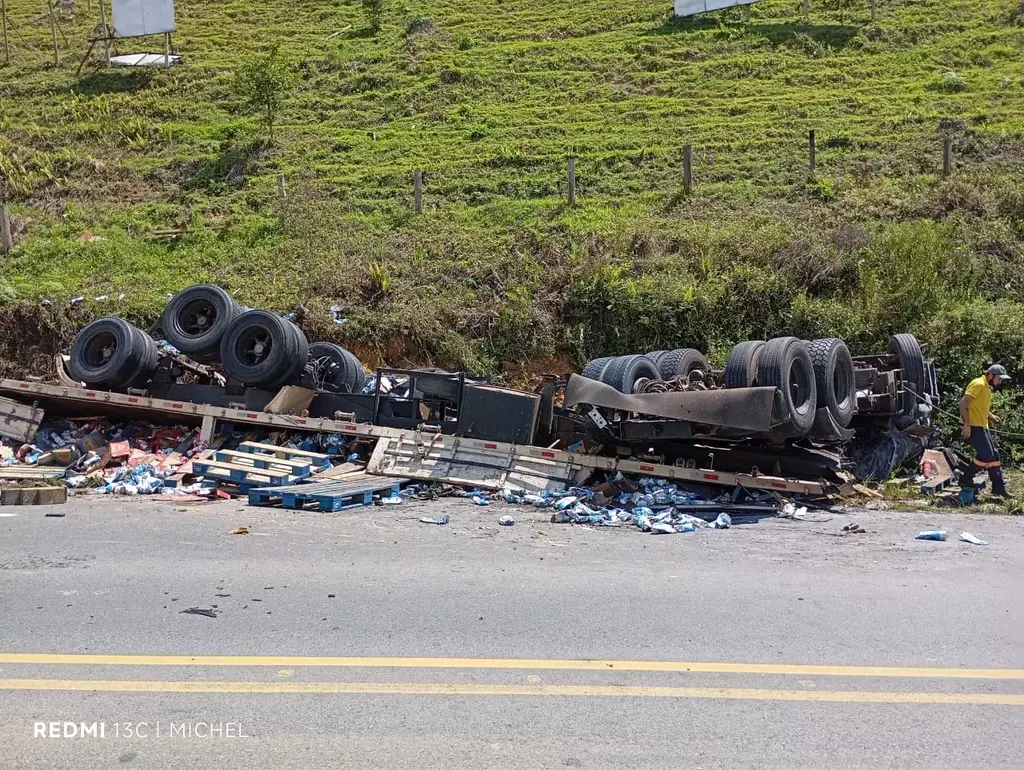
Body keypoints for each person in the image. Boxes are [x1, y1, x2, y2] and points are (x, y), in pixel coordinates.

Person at [959, 364, 1011, 498]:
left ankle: (998, 488)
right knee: (987, 454)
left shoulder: (987, 388)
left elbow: (979, 406)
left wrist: (991, 416)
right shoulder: (978, 384)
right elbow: (964, 403)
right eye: (999, 379)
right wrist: (966, 424)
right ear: (991, 375)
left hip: (982, 425)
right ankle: (965, 478)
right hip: (973, 426)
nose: (1000, 382)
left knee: (994, 456)